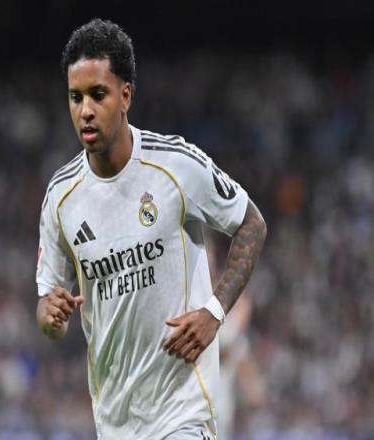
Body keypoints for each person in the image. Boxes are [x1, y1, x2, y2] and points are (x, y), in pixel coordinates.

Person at [36, 19, 267, 440]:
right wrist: (49, 315)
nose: (85, 110)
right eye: (75, 97)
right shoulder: (61, 198)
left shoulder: (176, 165)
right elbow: (49, 313)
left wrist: (215, 313)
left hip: (182, 416)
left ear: (125, 95)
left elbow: (251, 223)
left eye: (97, 95)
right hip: (115, 423)